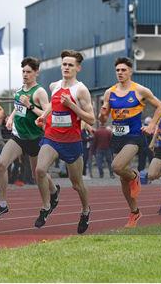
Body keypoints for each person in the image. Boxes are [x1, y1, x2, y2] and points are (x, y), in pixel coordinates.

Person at [0, 57, 57, 220]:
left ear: (36, 73)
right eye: (23, 71)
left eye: (29, 72)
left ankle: (52, 195)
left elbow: (48, 114)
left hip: (36, 138)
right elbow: (18, 108)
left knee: (38, 174)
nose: (25, 75)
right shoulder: (19, 91)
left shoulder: (39, 92)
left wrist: (30, 106)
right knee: (1, 164)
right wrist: (10, 118)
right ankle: (2, 204)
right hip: (18, 136)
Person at [34, 50, 96, 233]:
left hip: (72, 141)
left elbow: (91, 119)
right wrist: (44, 116)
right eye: (64, 64)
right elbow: (54, 104)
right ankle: (47, 206)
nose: (66, 67)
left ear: (78, 68)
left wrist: (72, 105)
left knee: (77, 184)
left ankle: (85, 210)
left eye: (70, 65)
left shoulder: (81, 90)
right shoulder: (54, 85)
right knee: (39, 170)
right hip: (52, 136)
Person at [98, 57, 161, 228]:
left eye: (123, 70)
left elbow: (160, 107)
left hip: (134, 136)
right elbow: (103, 118)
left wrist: (151, 125)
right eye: (118, 70)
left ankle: (135, 176)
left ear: (130, 71)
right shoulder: (109, 93)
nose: (120, 73)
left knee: (117, 167)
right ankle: (135, 212)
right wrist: (103, 114)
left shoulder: (140, 90)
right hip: (117, 137)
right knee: (122, 179)